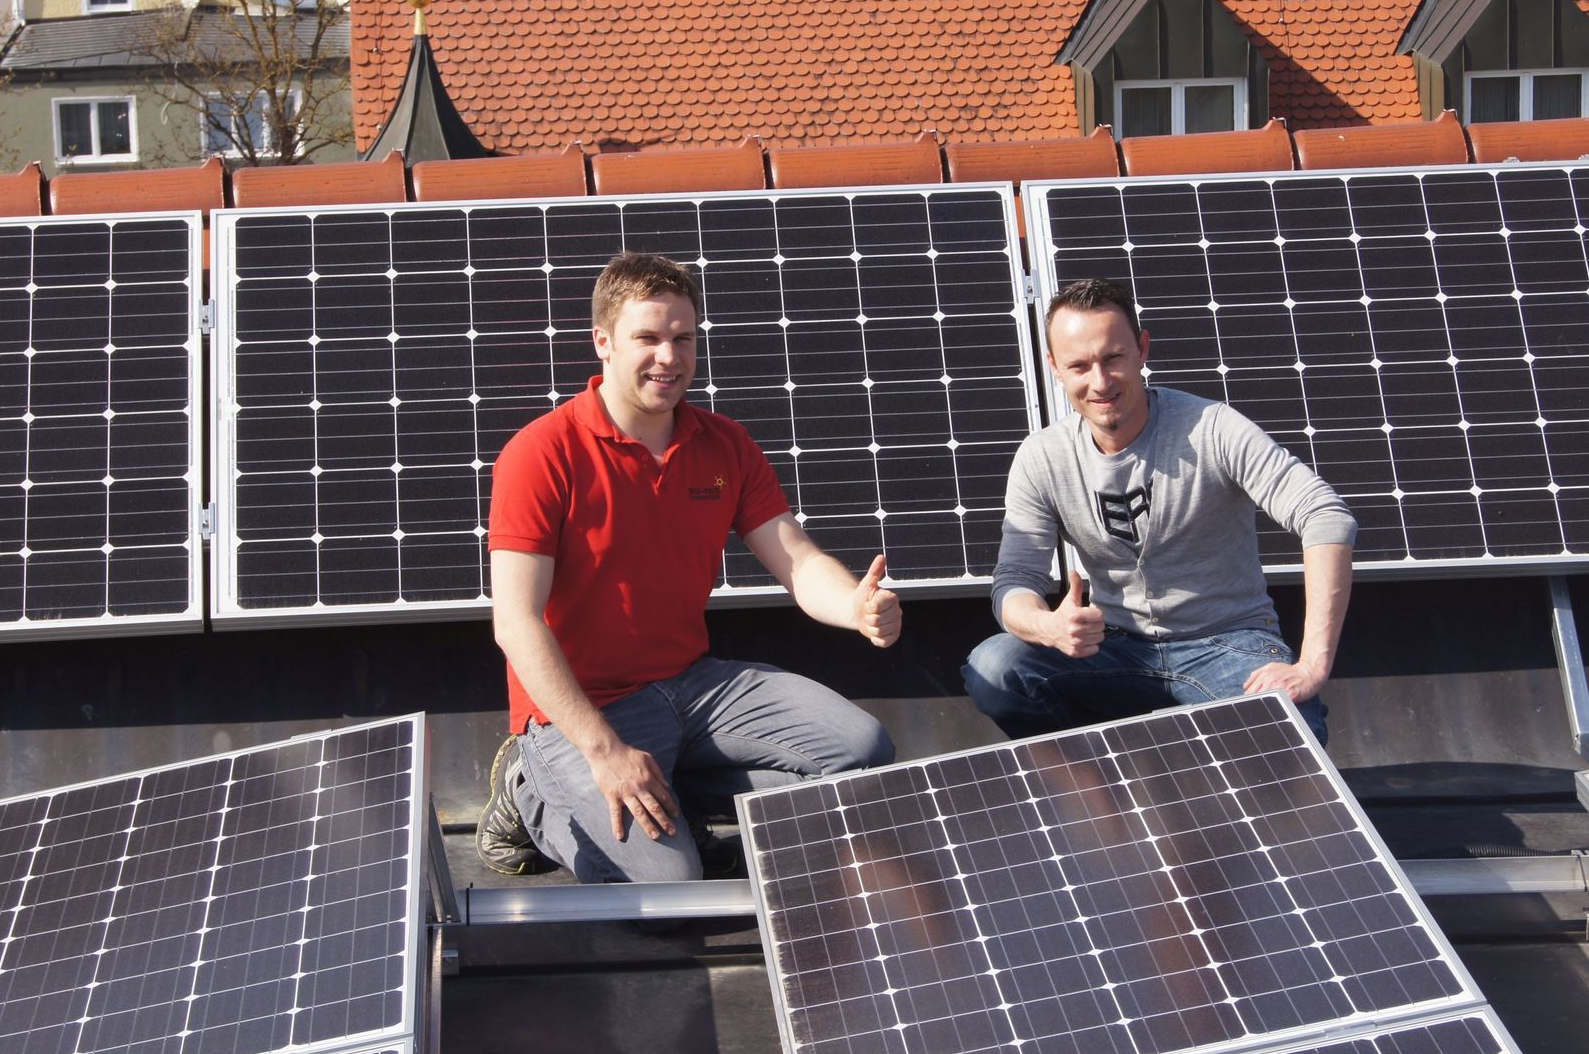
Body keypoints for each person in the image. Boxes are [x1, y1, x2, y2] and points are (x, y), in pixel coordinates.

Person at [479, 252, 898, 882]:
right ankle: (528, 792)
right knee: (669, 893)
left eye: (682, 339)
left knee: (863, 751)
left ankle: (671, 788)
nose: (668, 358)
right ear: (603, 343)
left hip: (693, 686)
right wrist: (604, 750)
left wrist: (855, 608)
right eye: (647, 338)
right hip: (585, 711)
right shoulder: (542, 452)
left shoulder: (723, 443)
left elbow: (799, 560)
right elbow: (516, 623)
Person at [963, 278, 1355, 744]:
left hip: (1226, 643)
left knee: (1292, 741)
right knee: (995, 667)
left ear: (1142, 349)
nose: (1100, 382)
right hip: (1114, 648)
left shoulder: (1212, 428)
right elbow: (1015, 580)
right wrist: (1047, 625)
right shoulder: (1042, 457)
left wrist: (1311, 665)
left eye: (1113, 358)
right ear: (1055, 367)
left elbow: (1324, 515)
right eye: (1079, 365)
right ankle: (1100, 773)